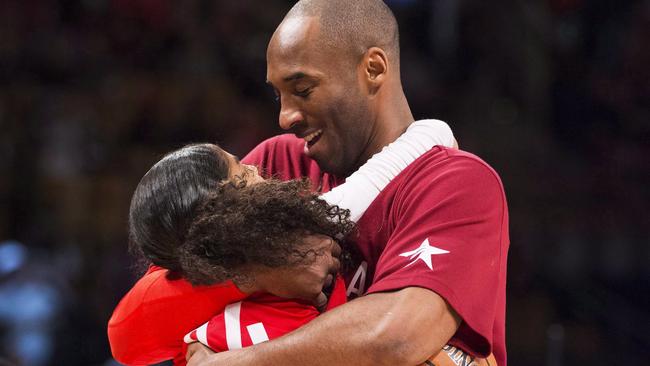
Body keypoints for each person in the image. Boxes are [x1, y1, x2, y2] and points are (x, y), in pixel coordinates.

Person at [186, 1, 509, 366]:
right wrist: (266, 272)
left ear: (373, 69)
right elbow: (152, 301)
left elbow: (395, 339)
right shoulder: (274, 167)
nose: (284, 116)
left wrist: (236, 361)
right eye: (278, 95)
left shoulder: (457, 184)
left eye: (303, 90)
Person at [109, 120, 459, 365]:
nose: (259, 171)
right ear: (225, 213)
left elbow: (123, 337)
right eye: (243, 172)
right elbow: (434, 133)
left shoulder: (196, 324)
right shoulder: (306, 233)